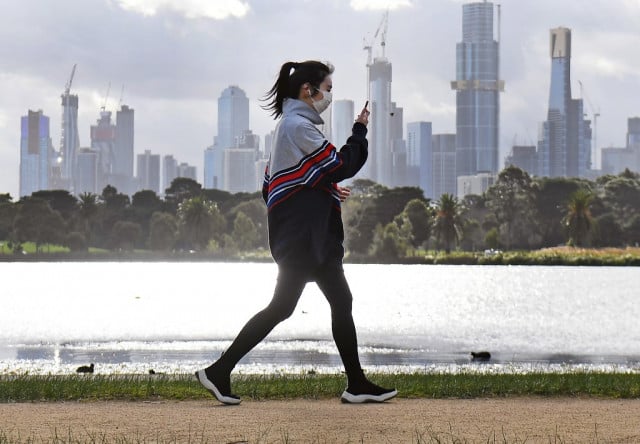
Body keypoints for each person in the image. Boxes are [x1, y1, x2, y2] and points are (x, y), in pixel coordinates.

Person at [196, 60, 397, 405]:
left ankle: (357, 383)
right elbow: (339, 165)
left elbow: (277, 183)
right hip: (304, 241)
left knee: (339, 301)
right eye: (328, 89)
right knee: (281, 308)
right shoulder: (297, 126)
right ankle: (218, 371)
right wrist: (359, 130)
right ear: (309, 90)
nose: (329, 96)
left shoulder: (290, 126)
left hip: (313, 240)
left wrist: (327, 190)